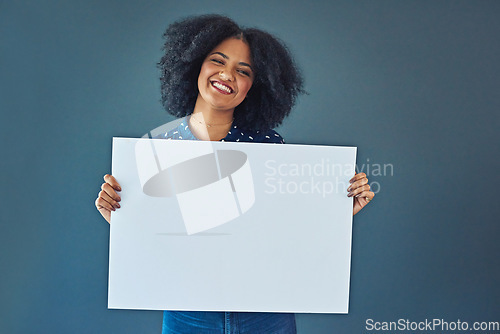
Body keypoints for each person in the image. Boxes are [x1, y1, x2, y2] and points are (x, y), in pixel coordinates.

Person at [95, 14, 374, 334]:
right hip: (188, 310)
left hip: (264, 311)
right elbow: (161, 237)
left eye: (243, 71)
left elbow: (286, 228)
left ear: (254, 86)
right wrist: (121, 217)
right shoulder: (157, 149)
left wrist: (337, 211)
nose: (227, 74)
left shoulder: (270, 146)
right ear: (194, 65)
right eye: (217, 60)